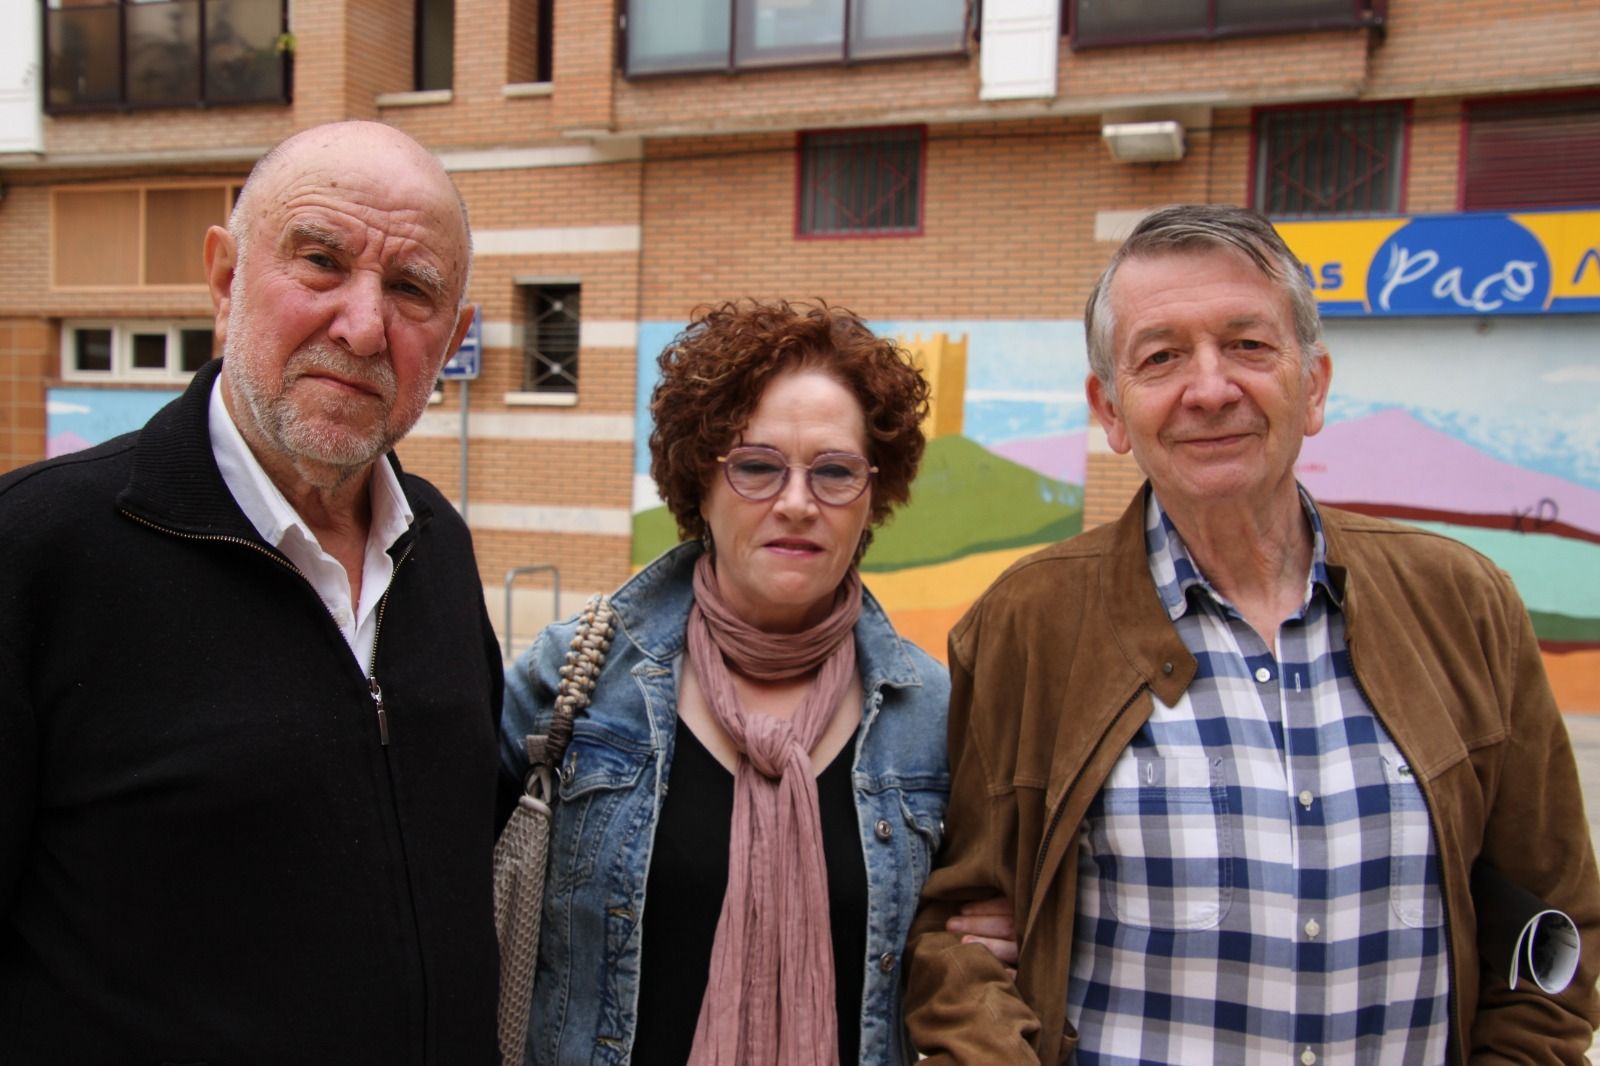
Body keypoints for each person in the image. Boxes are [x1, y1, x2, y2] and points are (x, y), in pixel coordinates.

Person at [904, 204, 1600, 1063]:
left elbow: (1555, 929)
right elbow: (955, 941)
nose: (1209, 387)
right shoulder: (1027, 625)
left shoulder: (1464, 604)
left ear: (1313, 384)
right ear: (1111, 409)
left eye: (1248, 345)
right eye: (1161, 357)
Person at [0, 121, 502, 1062]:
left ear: (452, 337)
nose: (362, 326)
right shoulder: (33, 554)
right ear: (226, 281)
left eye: (411, 290)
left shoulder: (439, 548)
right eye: (320, 261)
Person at [500, 300, 1012, 1065]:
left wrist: (991, 932)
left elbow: (964, 941)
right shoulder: (573, 681)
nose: (798, 502)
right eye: (757, 466)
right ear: (699, 484)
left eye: (834, 471)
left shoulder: (930, 715)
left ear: (873, 497)